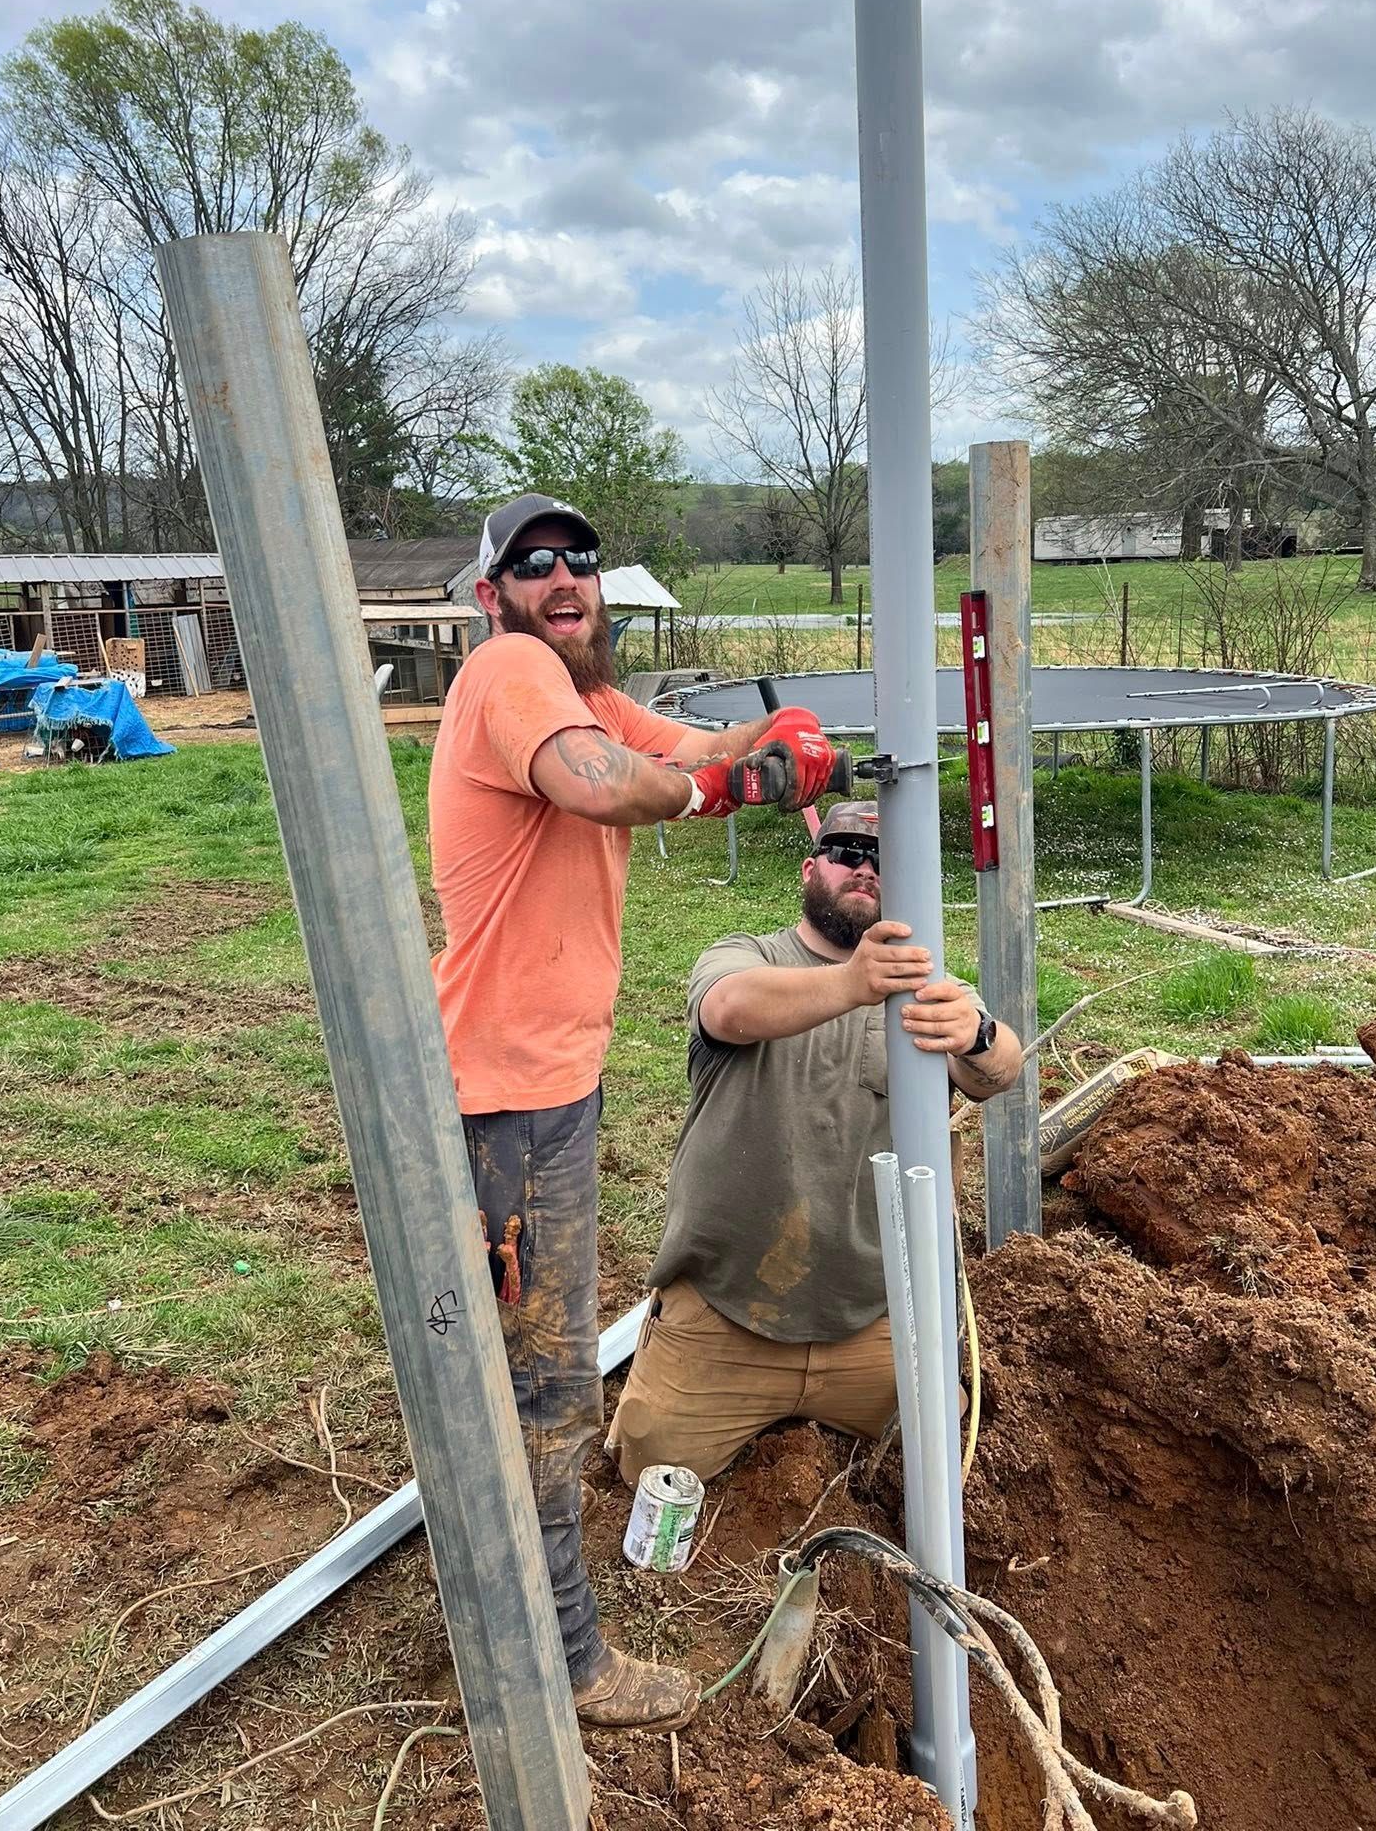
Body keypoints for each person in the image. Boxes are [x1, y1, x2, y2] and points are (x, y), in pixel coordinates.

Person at [428, 491, 838, 1733]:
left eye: (582, 565)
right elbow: (609, 786)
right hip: (506, 1099)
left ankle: (499, 1585)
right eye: (535, 564)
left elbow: (683, 742)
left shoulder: (581, 690)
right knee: (549, 1386)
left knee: (529, 1370)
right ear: (493, 590)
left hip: (547, 1084)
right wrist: (733, 789)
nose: (566, 582)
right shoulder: (508, 673)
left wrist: (787, 733)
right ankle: (561, 1658)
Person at [606, 801, 1023, 1488]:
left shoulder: (927, 989)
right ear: (810, 868)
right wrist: (849, 983)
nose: (865, 867)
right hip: (729, 1312)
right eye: (848, 851)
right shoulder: (747, 956)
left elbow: (1000, 1069)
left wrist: (976, 1033)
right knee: (647, 1471)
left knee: (943, 1466)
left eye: (883, 859)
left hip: (873, 1323)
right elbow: (730, 1008)